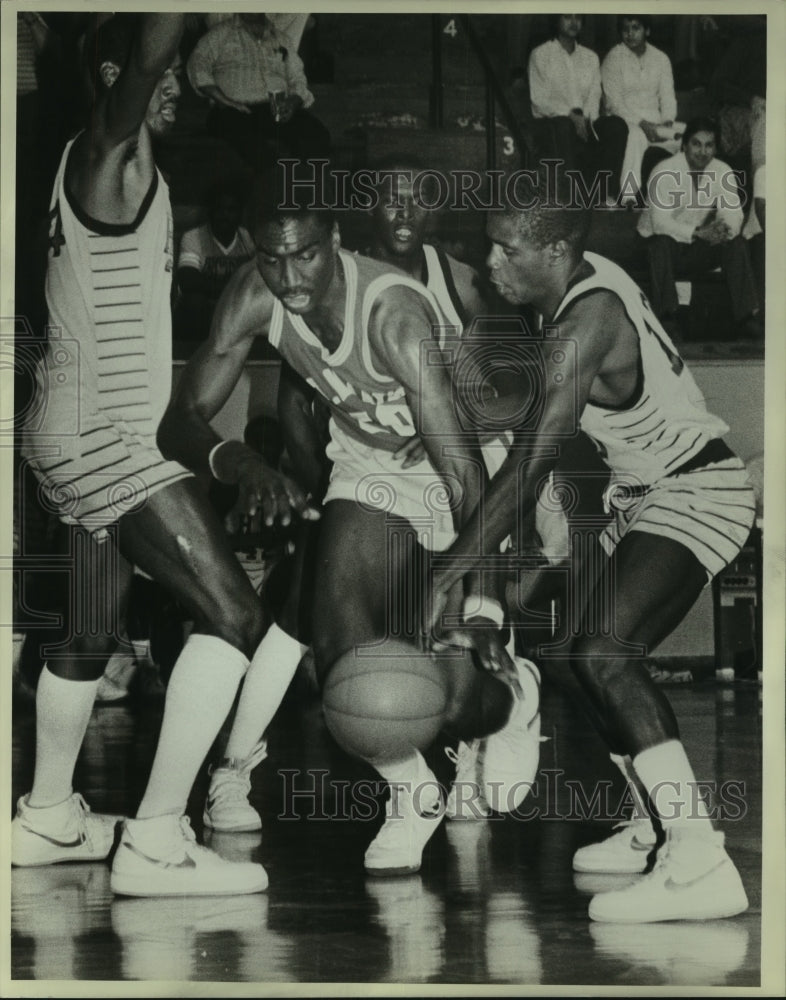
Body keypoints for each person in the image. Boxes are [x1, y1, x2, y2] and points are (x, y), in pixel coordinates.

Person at [158, 169, 539, 875]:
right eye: (272, 257)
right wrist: (241, 465)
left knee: (456, 703)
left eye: (303, 254)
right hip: (372, 466)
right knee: (342, 660)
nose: (289, 275)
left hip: (460, 463)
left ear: (333, 241)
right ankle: (410, 792)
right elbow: (179, 421)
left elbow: (464, 473)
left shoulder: (392, 315)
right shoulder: (254, 293)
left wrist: (481, 606)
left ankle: (515, 698)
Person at [14, 14, 315, 897]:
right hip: (110, 435)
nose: (179, 82)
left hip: (68, 428)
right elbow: (144, 56)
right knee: (235, 619)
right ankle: (154, 840)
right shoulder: (113, 151)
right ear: (118, 73)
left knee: (88, 632)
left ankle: (47, 816)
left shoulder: (97, 165)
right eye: (170, 72)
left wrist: (223, 461)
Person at [427, 169, 755, 923]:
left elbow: (529, 465)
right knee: (564, 645)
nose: (492, 262)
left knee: (605, 652)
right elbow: (539, 403)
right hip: (648, 495)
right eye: (489, 246)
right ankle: (652, 823)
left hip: (695, 490)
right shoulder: (581, 288)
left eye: (508, 249)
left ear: (559, 249)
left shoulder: (585, 321)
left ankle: (699, 855)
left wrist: (449, 571)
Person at [637, 116, 762, 340]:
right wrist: (698, 232)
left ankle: (746, 317)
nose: (702, 151)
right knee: (660, 244)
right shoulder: (664, 170)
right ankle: (667, 316)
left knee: (736, 242)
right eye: (696, 144)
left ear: (715, 148)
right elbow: (659, 223)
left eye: (709, 145)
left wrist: (724, 229)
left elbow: (733, 212)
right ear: (684, 145)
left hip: (697, 245)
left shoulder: (722, 170)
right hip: (660, 245)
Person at [186, 13, 331, 171]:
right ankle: (271, 183)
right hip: (232, 112)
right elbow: (197, 65)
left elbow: (298, 78)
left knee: (316, 134)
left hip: (273, 110)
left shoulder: (281, 39)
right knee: (256, 150)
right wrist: (223, 100)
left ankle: (299, 189)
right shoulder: (220, 34)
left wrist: (292, 102)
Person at [528, 14, 627, 199]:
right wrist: (570, 116)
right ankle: (571, 200)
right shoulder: (540, 54)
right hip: (552, 122)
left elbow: (594, 94)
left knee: (617, 125)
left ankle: (606, 196)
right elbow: (539, 100)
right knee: (564, 126)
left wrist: (586, 121)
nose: (574, 23)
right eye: (567, 17)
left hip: (585, 120)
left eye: (578, 18)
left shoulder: (591, 57)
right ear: (556, 20)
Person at [601, 14, 683, 197]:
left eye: (636, 28)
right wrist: (642, 123)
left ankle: (679, 193)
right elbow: (614, 103)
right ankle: (629, 195)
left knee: (687, 134)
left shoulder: (661, 58)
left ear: (647, 30)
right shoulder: (613, 58)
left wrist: (667, 121)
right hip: (626, 121)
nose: (630, 34)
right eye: (625, 29)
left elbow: (668, 96)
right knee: (636, 137)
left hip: (658, 121)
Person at [174, 180, 254, 341]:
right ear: (211, 212)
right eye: (220, 209)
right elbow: (188, 281)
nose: (225, 215)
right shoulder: (194, 236)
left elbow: (259, 279)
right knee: (194, 302)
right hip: (207, 310)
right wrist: (233, 290)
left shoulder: (247, 238)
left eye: (231, 210)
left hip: (235, 307)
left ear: (240, 213)